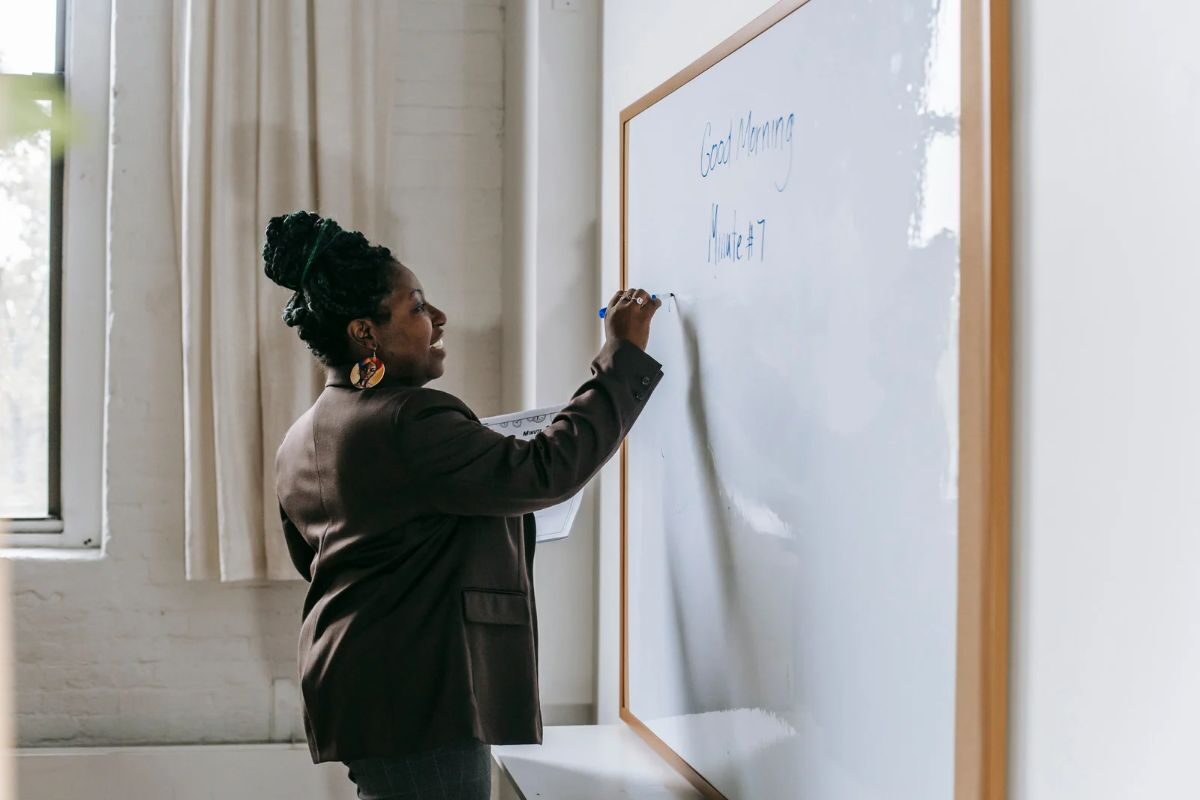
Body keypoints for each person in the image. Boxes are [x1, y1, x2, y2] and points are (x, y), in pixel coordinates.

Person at [264, 210, 663, 800]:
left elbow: (331, 560)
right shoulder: (408, 418)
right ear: (365, 334)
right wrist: (621, 355)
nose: (439, 318)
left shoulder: (301, 436)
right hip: (421, 696)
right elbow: (546, 469)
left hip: (360, 689)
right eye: (417, 307)